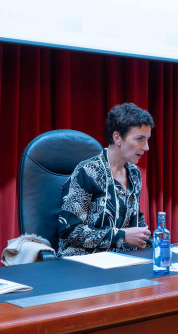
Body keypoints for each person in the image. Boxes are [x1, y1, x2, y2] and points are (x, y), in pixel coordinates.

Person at [58, 103, 154, 256]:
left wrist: (156, 243)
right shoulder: (88, 172)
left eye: (147, 140)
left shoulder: (134, 173)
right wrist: (121, 236)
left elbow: (135, 221)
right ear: (117, 138)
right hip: (82, 262)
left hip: (121, 261)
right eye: (140, 139)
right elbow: (70, 231)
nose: (146, 147)